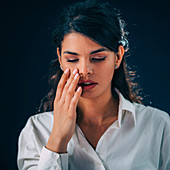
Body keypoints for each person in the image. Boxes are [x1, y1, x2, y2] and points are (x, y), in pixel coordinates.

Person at [17, 0, 170, 169]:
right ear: (60, 58)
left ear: (118, 56)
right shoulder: (37, 130)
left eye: (98, 58)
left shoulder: (158, 126)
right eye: (72, 59)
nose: (84, 70)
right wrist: (57, 139)